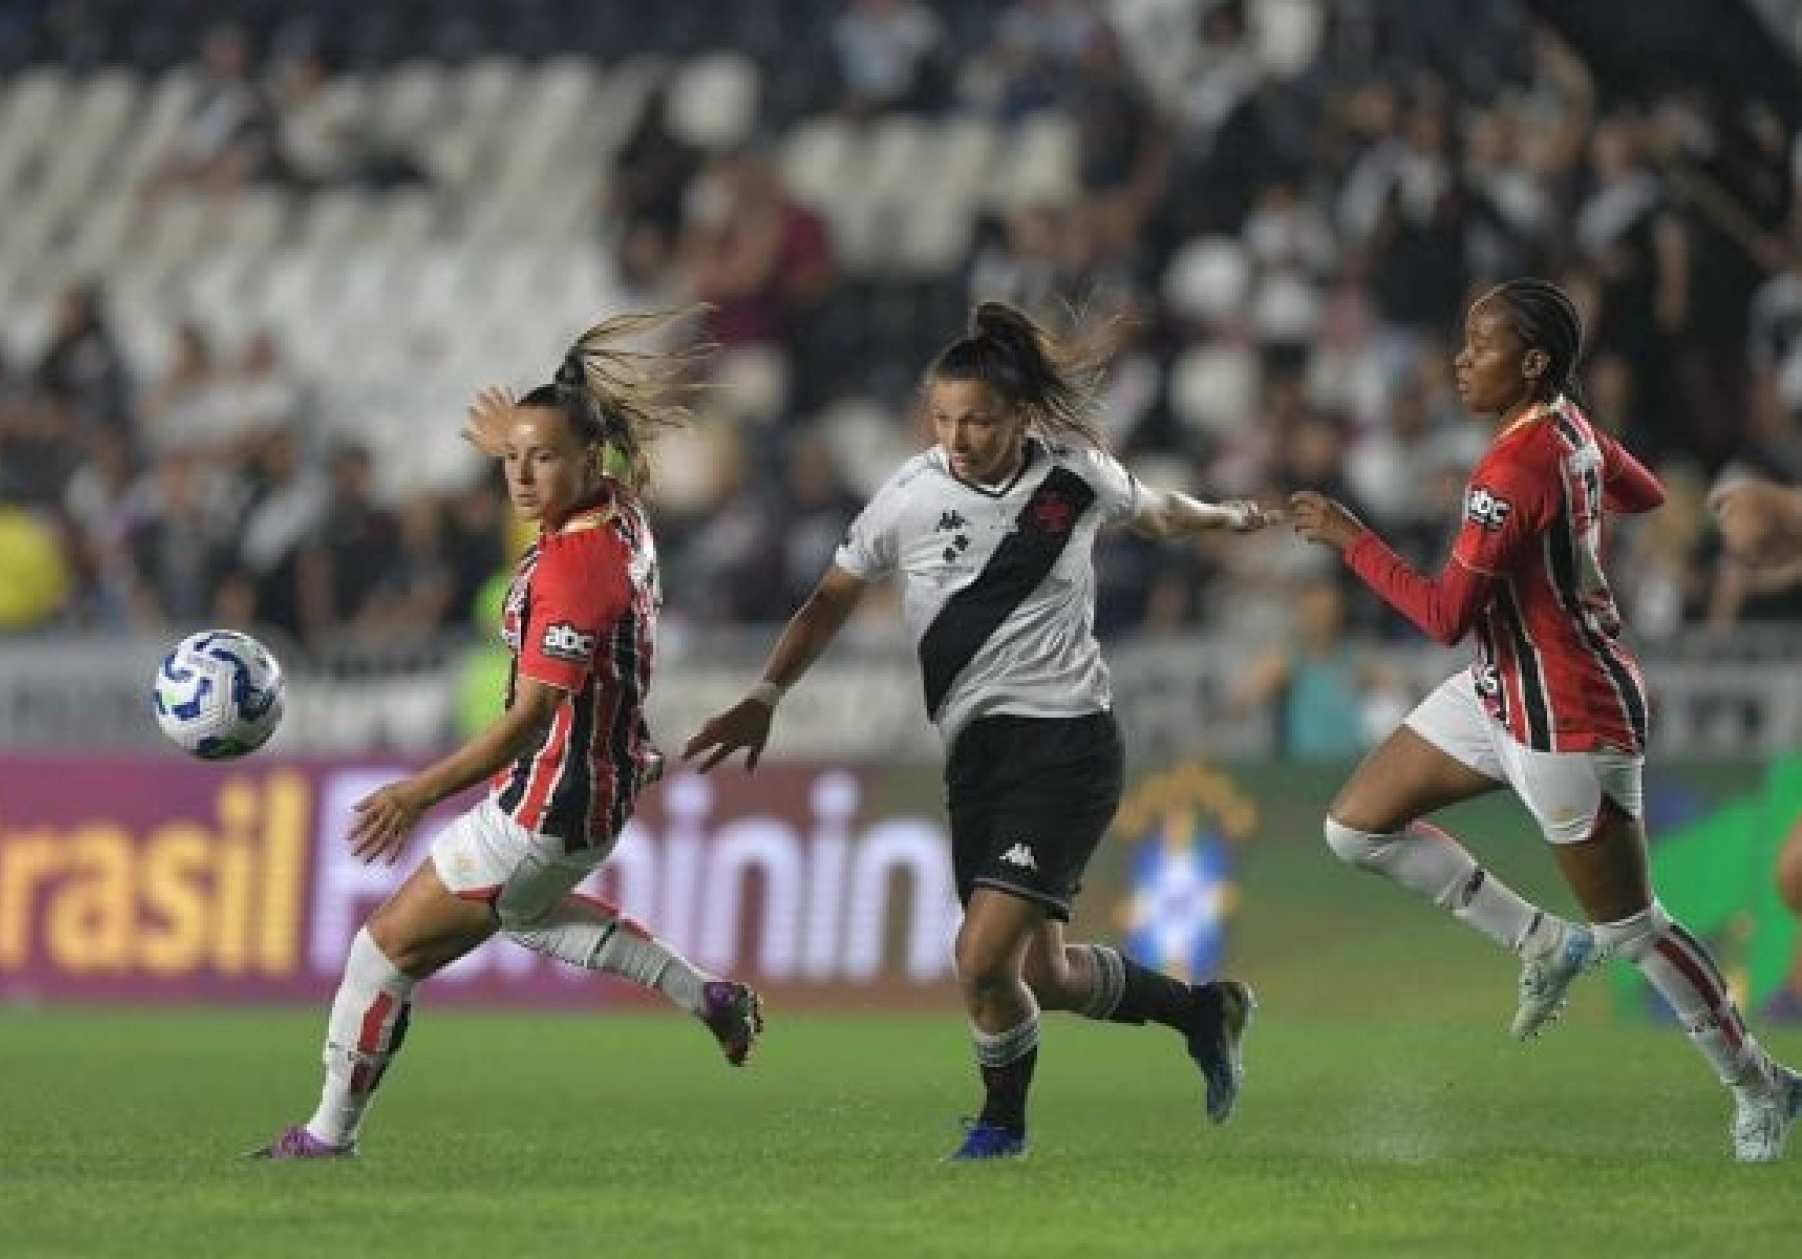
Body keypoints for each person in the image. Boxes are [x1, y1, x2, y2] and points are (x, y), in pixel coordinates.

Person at [683, 300, 1271, 1160]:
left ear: (1021, 416)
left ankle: (1002, 1128)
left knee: (979, 957)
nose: (958, 437)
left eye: (979, 420)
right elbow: (829, 601)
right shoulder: (908, 496)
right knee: (1041, 974)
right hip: (978, 756)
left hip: (1067, 741)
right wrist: (767, 693)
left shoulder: (1076, 476)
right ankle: (1201, 1010)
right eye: (945, 418)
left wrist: (1223, 517)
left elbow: (1158, 509)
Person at [1288, 278, 1802, 1163]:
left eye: (1478, 344)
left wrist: (1350, 540)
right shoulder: (1569, 428)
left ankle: (1762, 1086)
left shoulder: (1511, 467)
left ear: (1530, 362)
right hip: (1498, 687)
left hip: (1569, 716)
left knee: (1634, 928)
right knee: (1353, 829)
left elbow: (1445, 612)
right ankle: (1540, 940)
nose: (1459, 359)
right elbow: (1638, 490)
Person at [253, 309, 764, 1159]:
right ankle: (706, 994)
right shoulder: (622, 513)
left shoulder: (574, 571)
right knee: (525, 915)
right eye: (512, 459)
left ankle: (325, 1138)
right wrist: (525, 434)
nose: (520, 476)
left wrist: (415, 792)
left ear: (586, 459)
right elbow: (573, 459)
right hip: (602, 788)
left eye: (542, 458)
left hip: (547, 799)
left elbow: (527, 721)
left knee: (380, 957)